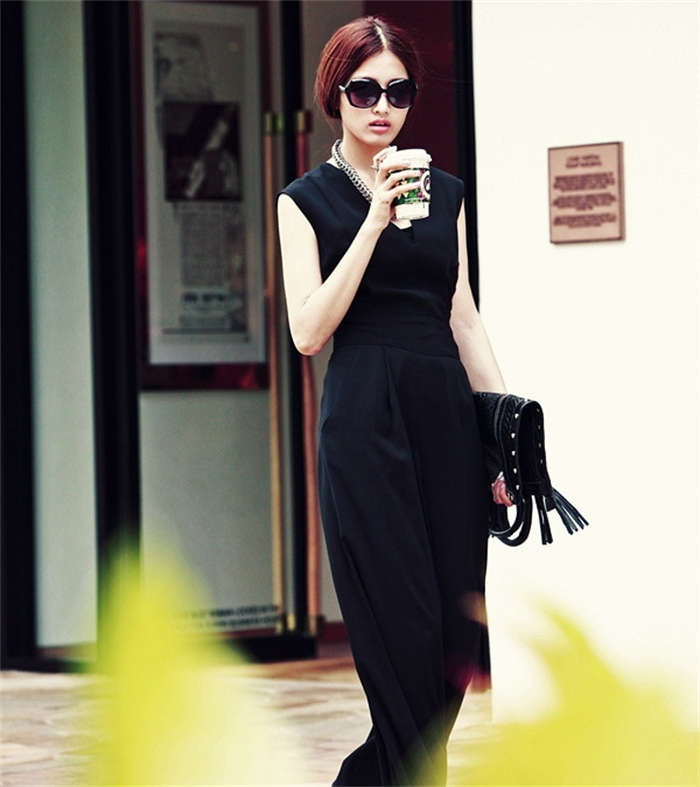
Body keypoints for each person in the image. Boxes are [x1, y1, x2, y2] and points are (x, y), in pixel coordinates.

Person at [276, 16, 512, 787]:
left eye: (399, 91)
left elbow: (463, 317)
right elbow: (308, 331)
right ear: (335, 94)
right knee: (403, 643)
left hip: (445, 423)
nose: (382, 106)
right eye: (365, 90)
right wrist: (374, 219)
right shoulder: (304, 201)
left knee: (453, 647)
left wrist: (502, 440)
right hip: (364, 426)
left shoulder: (448, 195)